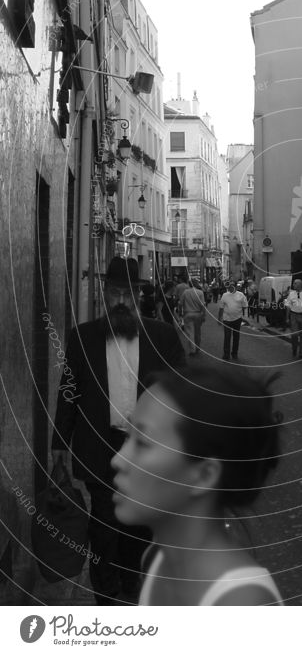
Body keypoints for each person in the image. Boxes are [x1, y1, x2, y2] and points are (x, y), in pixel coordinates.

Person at [50, 257, 186, 605]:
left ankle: (133, 593)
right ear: (104, 294)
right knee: (104, 529)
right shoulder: (83, 337)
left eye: (128, 293)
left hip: (146, 452)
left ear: (139, 295)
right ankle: (108, 603)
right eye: (115, 293)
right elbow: (70, 391)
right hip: (100, 447)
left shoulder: (163, 337)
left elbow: (181, 394)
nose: (122, 301)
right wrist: (60, 444)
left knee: (138, 531)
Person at [111, 362, 283, 605]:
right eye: (127, 436)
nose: (117, 459)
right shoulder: (156, 557)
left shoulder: (241, 603)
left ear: (204, 475)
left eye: (143, 442)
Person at [217, 281, 248, 361]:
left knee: (236, 337)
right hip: (227, 319)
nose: (230, 287)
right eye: (229, 286)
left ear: (235, 286)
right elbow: (221, 308)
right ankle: (226, 355)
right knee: (227, 337)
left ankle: (234, 353)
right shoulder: (225, 295)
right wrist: (219, 318)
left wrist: (238, 310)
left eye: (232, 286)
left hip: (237, 319)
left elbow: (245, 306)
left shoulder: (241, 295)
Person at [180, 278, 206, 356]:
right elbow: (202, 305)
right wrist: (204, 315)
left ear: (189, 284)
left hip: (188, 313)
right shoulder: (200, 292)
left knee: (190, 333)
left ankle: (192, 350)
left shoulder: (185, 292)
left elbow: (180, 303)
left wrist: (180, 312)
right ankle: (197, 348)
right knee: (198, 332)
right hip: (198, 314)